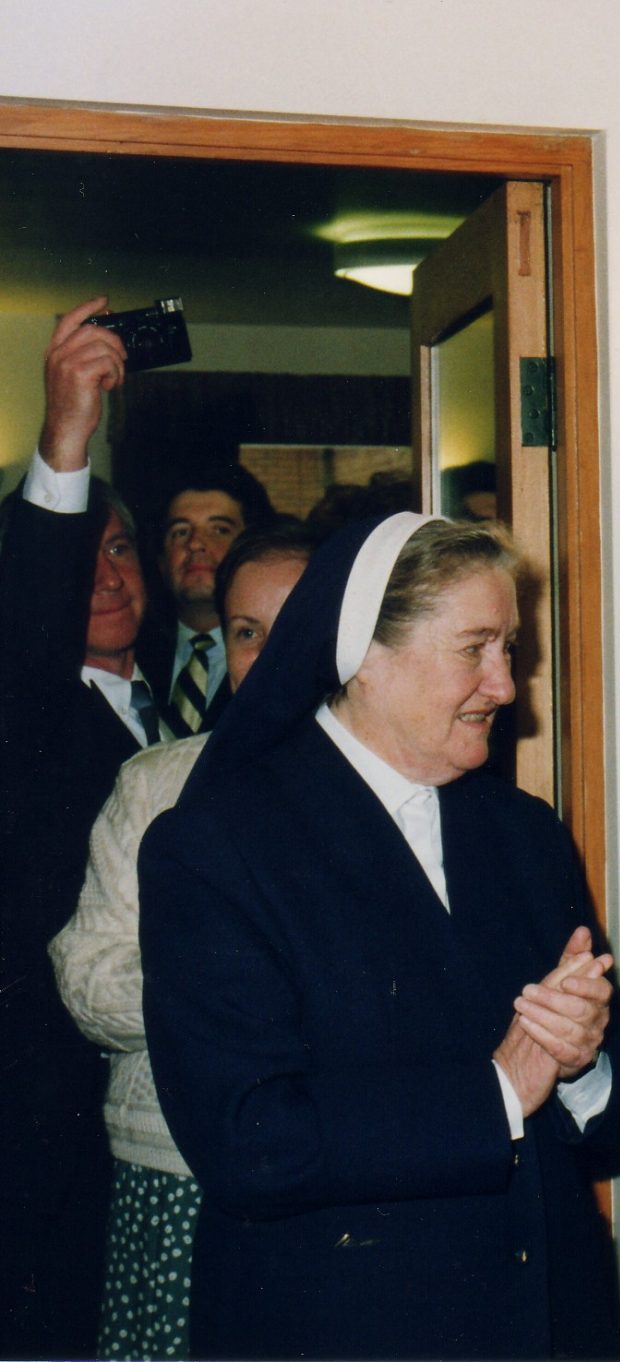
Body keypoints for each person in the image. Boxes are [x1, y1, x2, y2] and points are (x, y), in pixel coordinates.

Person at [139, 513, 620, 1360]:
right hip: (345, 1328)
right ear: (365, 656)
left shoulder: (521, 831)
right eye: (476, 648)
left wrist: (583, 1062)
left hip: (544, 1323)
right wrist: (500, 1090)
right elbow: (247, 1137)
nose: (505, 685)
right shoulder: (216, 846)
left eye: (509, 648)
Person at [52, 521, 318, 1360]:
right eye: (246, 633)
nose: (271, 656)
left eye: (300, 625)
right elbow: (89, 975)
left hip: (340, 1173)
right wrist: (239, 996)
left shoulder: (408, 791)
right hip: (174, 1170)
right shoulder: (157, 784)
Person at [0, 296, 149, 1358]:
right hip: (55, 1123)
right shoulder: (29, 710)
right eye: (82, 552)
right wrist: (67, 441)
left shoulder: (205, 718)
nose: (107, 571)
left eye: (122, 550)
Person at [137, 461, 276, 738]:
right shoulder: (133, 656)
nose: (196, 544)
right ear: (161, 561)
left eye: (219, 530)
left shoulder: (277, 654)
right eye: (180, 532)